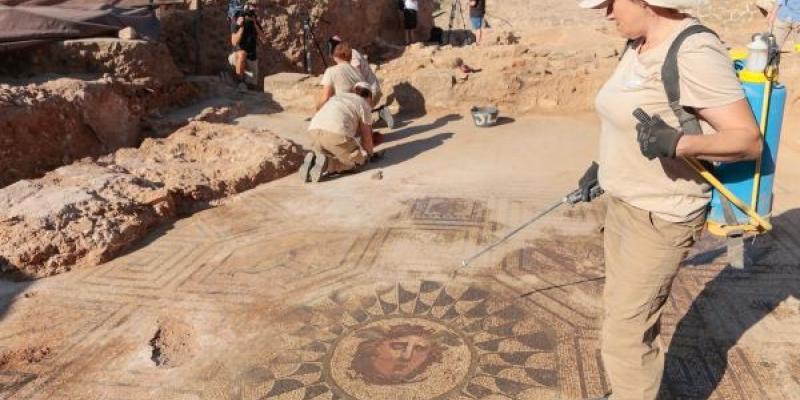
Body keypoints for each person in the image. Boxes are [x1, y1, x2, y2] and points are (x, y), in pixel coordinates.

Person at [575, 0, 762, 399]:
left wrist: (679, 143)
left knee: (626, 333)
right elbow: (626, 116)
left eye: (611, 2)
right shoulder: (637, 44)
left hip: (662, 213)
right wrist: (602, 167)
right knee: (622, 314)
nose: (606, 12)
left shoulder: (694, 50)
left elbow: (747, 140)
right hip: (625, 203)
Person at [300, 82, 376, 183]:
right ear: (370, 96)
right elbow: (367, 137)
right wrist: (369, 155)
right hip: (335, 135)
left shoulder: (338, 97)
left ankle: (314, 161)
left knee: (332, 151)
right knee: (358, 162)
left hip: (313, 132)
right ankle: (329, 165)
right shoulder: (364, 104)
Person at [327, 35, 394, 128]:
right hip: (365, 92)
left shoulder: (352, 54)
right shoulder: (345, 55)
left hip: (369, 92)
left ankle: (378, 113)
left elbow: (355, 76)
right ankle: (376, 116)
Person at [316, 41, 363, 111]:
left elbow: (325, 97)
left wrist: (317, 111)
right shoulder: (358, 73)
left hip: (341, 111)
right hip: (356, 112)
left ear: (335, 55)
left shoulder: (331, 71)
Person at [228, 2, 265, 89]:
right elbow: (234, 42)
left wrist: (255, 24)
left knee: (252, 87)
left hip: (252, 57)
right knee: (242, 53)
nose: (253, 9)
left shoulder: (254, 21)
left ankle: (246, 86)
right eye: (250, 6)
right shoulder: (236, 21)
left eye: (254, 6)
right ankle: (240, 82)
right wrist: (241, 26)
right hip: (237, 57)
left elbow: (264, 39)